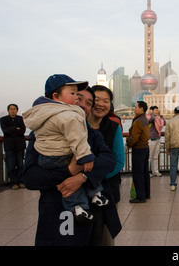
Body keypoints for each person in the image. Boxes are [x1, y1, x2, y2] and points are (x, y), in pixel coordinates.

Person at [23, 85, 121, 246]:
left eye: (89, 103)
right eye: (78, 98)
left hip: (94, 210)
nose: (83, 105)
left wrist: (82, 177)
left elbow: (110, 160)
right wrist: (68, 171)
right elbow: (30, 177)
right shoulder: (41, 135)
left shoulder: (92, 135)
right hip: (59, 211)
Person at [89, 85, 125, 204]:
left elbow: (119, 162)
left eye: (106, 101)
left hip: (107, 185)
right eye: (97, 100)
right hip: (78, 188)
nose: (101, 104)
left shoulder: (114, 128)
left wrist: (91, 178)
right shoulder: (77, 125)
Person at [126, 101, 150, 203]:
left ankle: (140, 196)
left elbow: (134, 137)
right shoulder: (144, 119)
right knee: (145, 172)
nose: (134, 109)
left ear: (141, 109)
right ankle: (146, 193)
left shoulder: (138, 121)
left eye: (136, 107)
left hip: (139, 149)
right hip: (145, 148)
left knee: (137, 173)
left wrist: (128, 143)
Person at [0, 104, 26, 189]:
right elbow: (5, 130)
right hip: (9, 146)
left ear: (17, 110)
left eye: (14, 109)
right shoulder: (3, 119)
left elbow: (23, 130)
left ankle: (20, 181)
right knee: (11, 165)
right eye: (11, 109)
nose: (13, 110)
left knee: (20, 165)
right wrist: (16, 128)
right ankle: (13, 182)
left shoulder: (21, 119)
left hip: (20, 146)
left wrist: (11, 129)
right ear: (8, 110)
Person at [147, 106, 166, 177]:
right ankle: (148, 171)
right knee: (149, 156)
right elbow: (152, 119)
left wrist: (161, 115)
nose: (156, 111)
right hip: (151, 139)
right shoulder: (148, 117)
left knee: (155, 156)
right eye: (155, 110)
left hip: (157, 138)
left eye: (157, 110)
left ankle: (155, 171)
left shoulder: (158, 118)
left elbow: (164, 123)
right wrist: (151, 114)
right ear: (151, 111)